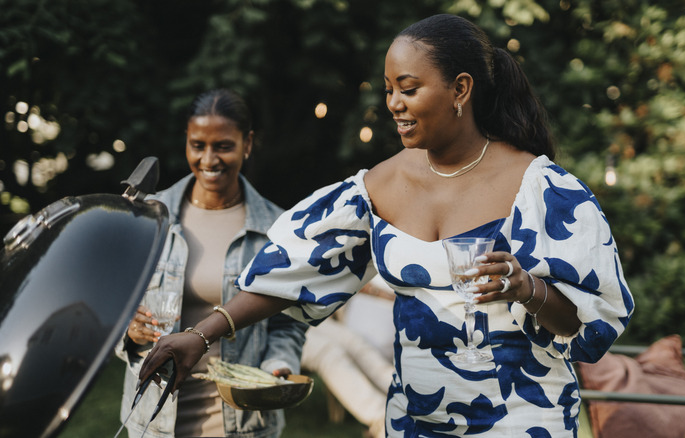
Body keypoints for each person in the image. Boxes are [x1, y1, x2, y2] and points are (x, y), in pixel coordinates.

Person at [140, 14, 635, 437]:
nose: (393, 103)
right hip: (414, 419)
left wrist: (527, 288)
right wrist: (200, 335)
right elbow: (291, 273)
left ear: (461, 89)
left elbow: (590, 324)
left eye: (409, 88)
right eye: (389, 90)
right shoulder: (377, 187)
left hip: (523, 417)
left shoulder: (542, 188)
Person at [115, 88, 308, 438]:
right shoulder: (150, 219)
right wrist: (127, 330)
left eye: (223, 146)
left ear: (247, 143)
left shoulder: (278, 229)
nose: (209, 159)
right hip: (154, 419)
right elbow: (113, 304)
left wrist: (278, 365)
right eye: (198, 145)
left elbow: (288, 322)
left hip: (241, 421)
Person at [300, 276, 396, 438]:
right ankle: (384, 421)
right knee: (328, 351)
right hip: (267, 333)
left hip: (294, 319)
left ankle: (405, 396)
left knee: (353, 341)